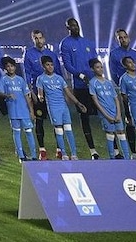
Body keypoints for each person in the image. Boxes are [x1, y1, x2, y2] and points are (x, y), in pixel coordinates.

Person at [58, 17, 101, 159]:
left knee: (104, 113)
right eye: (72, 26)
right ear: (68, 28)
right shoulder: (65, 44)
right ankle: (92, 150)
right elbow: (67, 64)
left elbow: (94, 61)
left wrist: (97, 75)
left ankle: (114, 148)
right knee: (85, 116)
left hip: (94, 84)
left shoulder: (87, 43)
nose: (75, 27)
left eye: (76, 25)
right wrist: (81, 75)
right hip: (81, 86)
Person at [33, 55, 80, 160]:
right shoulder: (41, 79)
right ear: (43, 66)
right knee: (59, 130)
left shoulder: (59, 78)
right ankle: (63, 153)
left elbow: (67, 92)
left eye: (51, 65)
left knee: (68, 129)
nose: (50, 67)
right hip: (53, 108)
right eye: (47, 65)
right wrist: (40, 98)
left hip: (63, 107)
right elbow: (40, 93)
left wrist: (77, 102)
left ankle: (74, 153)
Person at [21, 29, 58, 158]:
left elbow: (58, 72)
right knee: (39, 120)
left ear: (44, 39)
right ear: (33, 40)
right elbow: (27, 73)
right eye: (35, 38)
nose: (38, 40)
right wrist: (31, 91)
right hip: (37, 92)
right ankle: (42, 149)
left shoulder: (51, 54)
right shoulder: (29, 54)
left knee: (56, 120)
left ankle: (60, 149)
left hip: (53, 93)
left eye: (40, 37)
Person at [109, 30, 136, 154]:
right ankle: (133, 152)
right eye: (120, 38)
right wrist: (124, 87)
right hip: (127, 94)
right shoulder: (114, 55)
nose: (123, 39)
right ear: (117, 40)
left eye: (125, 37)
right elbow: (113, 74)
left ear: (129, 38)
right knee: (129, 121)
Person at [87, 59, 129, 159]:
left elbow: (116, 99)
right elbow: (96, 101)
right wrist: (106, 116)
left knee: (121, 133)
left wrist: (118, 113)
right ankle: (112, 158)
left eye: (101, 67)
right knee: (110, 134)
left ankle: (127, 157)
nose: (100, 69)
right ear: (93, 69)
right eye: (97, 67)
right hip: (105, 114)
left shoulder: (109, 83)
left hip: (115, 112)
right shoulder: (93, 83)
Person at [0, 57, 35, 161]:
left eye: (12, 66)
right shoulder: (4, 79)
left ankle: (33, 155)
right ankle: (21, 156)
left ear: (15, 67)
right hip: (13, 111)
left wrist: (31, 111)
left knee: (29, 132)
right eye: (8, 66)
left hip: (24, 111)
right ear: (5, 68)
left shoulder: (20, 80)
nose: (10, 68)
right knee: (17, 133)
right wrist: (7, 95)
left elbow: (27, 96)